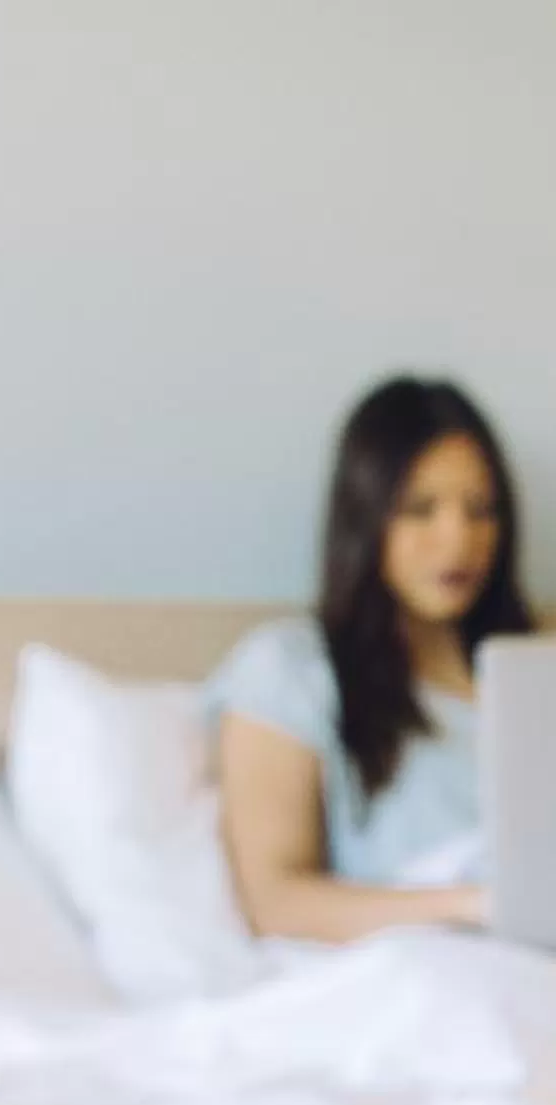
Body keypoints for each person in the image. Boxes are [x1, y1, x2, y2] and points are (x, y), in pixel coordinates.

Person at [206, 377, 532, 942]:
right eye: (421, 509)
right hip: (431, 965)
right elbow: (276, 902)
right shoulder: (291, 668)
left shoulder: (532, 675)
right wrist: (474, 905)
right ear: (365, 517)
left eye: (481, 510)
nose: (458, 540)